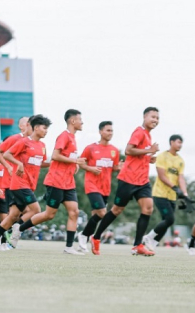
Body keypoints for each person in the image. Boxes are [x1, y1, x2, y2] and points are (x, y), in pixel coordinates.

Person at [91, 107, 160, 256]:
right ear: (145, 117)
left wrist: (149, 158)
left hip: (142, 180)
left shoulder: (148, 136)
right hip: (128, 179)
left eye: (157, 118)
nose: (155, 120)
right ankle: (96, 238)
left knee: (148, 208)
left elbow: (139, 154)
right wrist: (148, 151)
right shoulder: (139, 132)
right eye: (153, 117)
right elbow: (129, 150)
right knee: (116, 210)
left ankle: (137, 245)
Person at [17, 109, 85, 255]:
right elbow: (55, 155)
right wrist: (74, 160)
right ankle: (17, 230)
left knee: (74, 212)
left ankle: (68, 247)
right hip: (56, 181)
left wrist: (75, 164)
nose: (82, 122)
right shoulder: (64, 136)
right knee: (49, 215)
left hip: (69, 183)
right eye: (80, 119)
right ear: (73, 121)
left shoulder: (73, 138)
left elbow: (69, 158)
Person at [0, 115, 51, 250]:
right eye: (44, 128)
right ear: (36, 127)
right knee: (36, 210)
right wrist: (17, 164)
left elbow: (41, 163)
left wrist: (56, 163)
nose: (46, 131)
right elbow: (7, 154)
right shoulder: (23, 142)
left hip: (30, 184)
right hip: (20, 183)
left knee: (13, 215)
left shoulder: (42, 146)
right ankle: (17, 230)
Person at [143, 134, 194, 251]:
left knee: (166, 221)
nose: (180, 145)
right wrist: (175, 188)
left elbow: (181, 178)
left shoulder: (180, 160)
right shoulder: (162, 156)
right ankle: (149, 237)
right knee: (170, 219)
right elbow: (162, 176)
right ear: (171, 142)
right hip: (160, 194)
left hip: (171, 196)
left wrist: (185, 194)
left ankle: (153, 244)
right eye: (178, 142)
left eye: (181, 143)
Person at [77, 121, 121, 252]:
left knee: (95, 216)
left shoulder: (114, 150)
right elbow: (80, 163)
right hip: (92, 185)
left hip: (105, 187)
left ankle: (85, 239)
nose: (110, 133)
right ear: (100, 132)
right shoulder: (90, 148)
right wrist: (90, 168)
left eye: (111, 131)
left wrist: (119, 168)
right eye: (108, 130)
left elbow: (113, 168)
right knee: (102, 213)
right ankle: (83, 235)